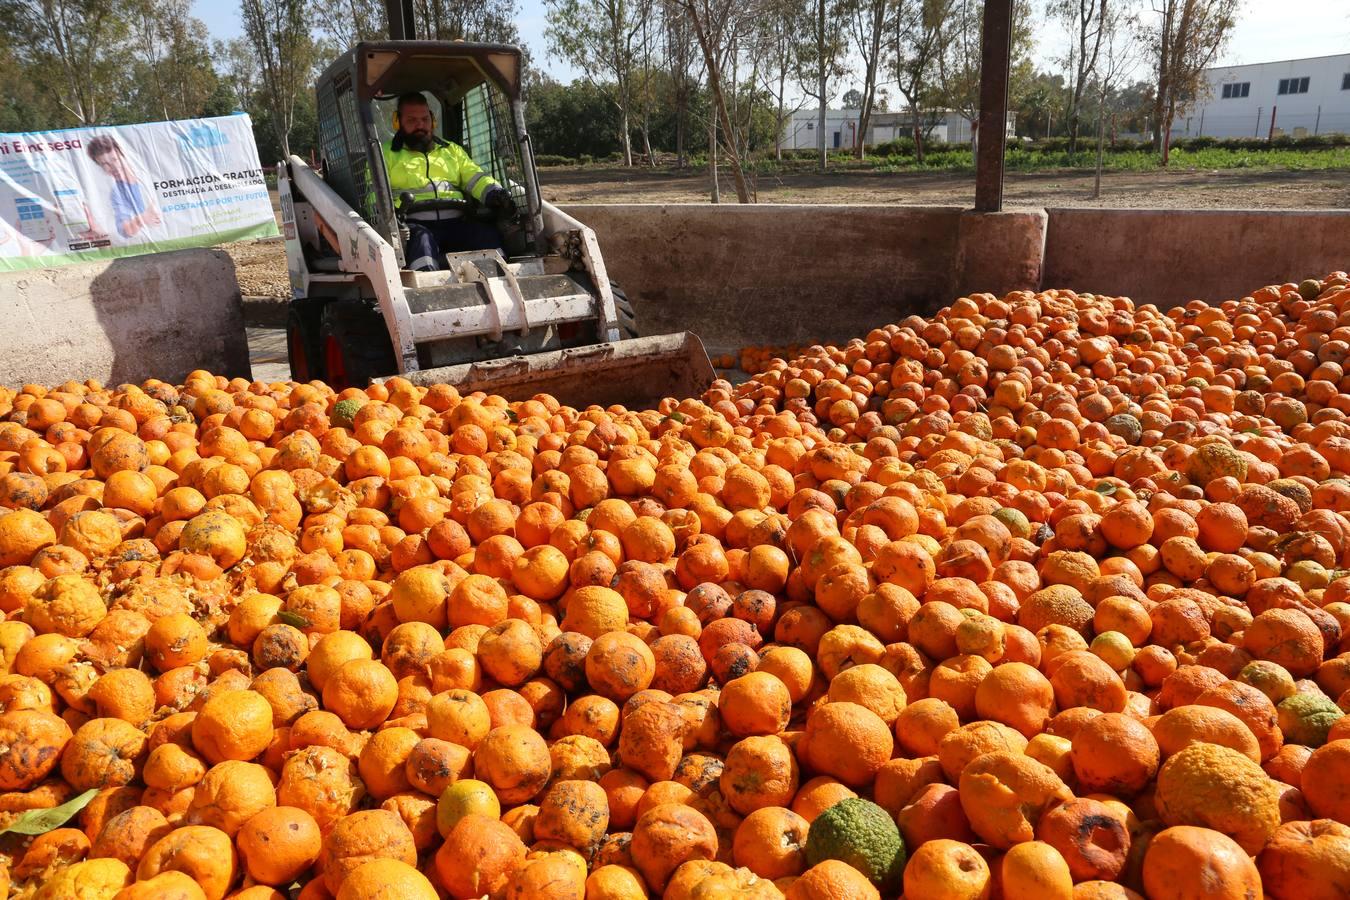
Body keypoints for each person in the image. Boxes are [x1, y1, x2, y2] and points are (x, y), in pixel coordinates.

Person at [383, 92, 515, 271]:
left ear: (433, 121)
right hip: (413, 225)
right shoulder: (385, 155)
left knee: (486, 235)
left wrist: (494, 193)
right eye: (412, 120)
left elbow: (475, 177)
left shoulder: (452, 151)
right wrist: (387, 217)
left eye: (425, 119)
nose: (420, 125)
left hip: (456, 223)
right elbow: (373, 195)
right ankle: (427, 291)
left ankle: (502, 284)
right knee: (422, 239)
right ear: (397, 122)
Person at [86, 135, 162, 240]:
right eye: (105, 164)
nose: (113, 167)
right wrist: (142, 219)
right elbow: (125, 231)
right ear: (101, 167)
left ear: (121, 154)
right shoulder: (116, 193)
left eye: (114, 159)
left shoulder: (147, 174)